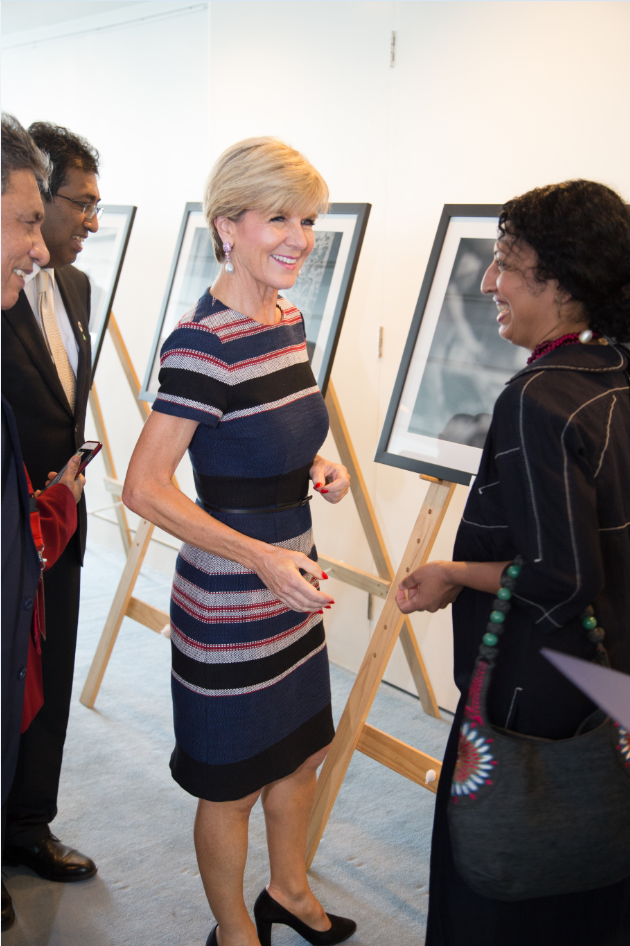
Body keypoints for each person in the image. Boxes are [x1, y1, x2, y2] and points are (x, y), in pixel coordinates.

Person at [123, 137, 356, 946]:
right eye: (279, 218)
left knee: (299, 756)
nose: (301, 236)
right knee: (228, 788)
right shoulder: (201, 344)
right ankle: (235, 933)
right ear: (228, 226)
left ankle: (287, 891)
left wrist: (320, 465)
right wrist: (258, 556)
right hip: (230, 602)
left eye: (310, 219)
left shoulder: (288, 318)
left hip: (296, 583)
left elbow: (270, 430)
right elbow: (143, 487)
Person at [397, 180, 630, 945]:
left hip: (542, 695)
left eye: (506, 264)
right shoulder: (614, 372)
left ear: (561, 284)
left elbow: (562, 578)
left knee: (509, 883)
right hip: (613, 681)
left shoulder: (538, 396)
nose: (490, 282)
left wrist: (455, 573)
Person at [1, 121, 100, 883]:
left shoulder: (75, 285)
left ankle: (30, 825)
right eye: (74, 206)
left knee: (53, 674)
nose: (88, 224)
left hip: (61, 523)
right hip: (14, 520)